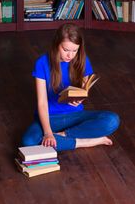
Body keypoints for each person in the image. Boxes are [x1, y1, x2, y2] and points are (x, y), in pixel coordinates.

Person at [21, 23, 120, 151]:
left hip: (75, 115)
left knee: (112, 120)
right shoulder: (42, 63)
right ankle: (84, 142)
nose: (70, 55)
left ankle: (64, 136)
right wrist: (48, 133)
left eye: (75, 50)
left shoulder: (82, 60)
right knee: (28, 142)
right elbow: (42, 103)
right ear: (57, 44)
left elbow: (83, 90)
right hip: (49, 118)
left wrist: (80, 99)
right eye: (66, 50)